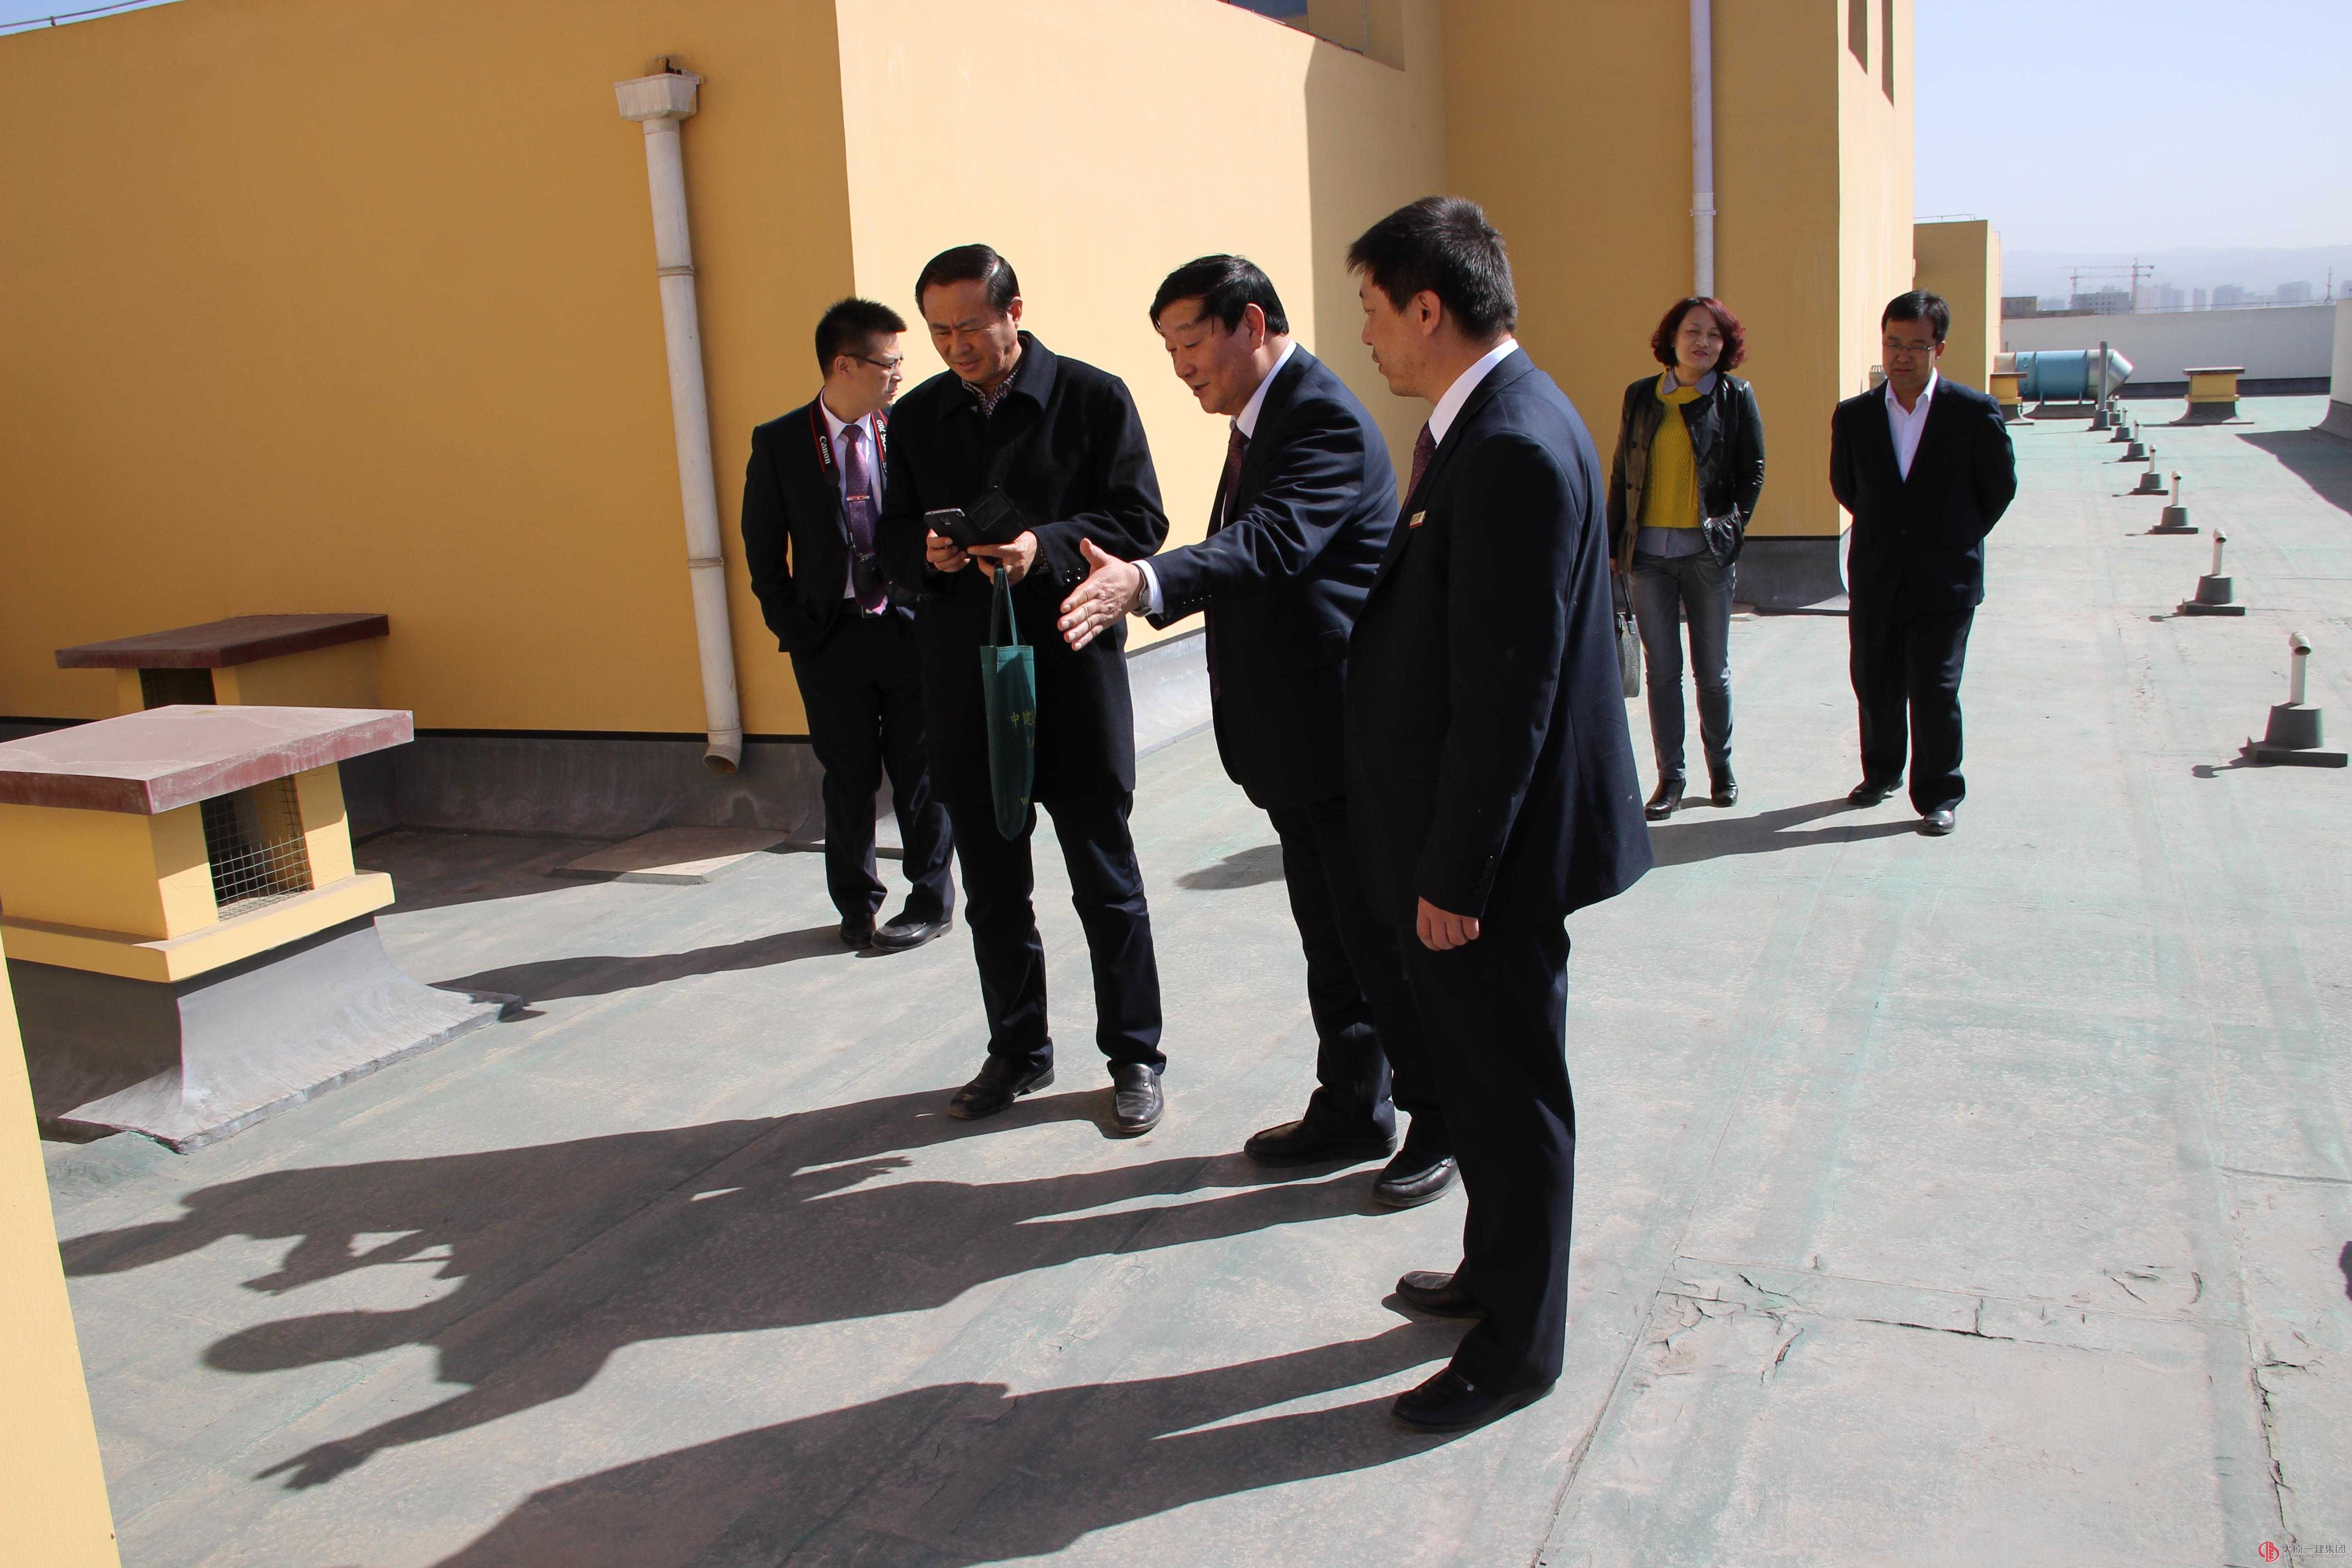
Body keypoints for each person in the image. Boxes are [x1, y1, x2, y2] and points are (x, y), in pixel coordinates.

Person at [1054, 255, 1455, 1210]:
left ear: (1252, 324)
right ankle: (1353, 1104)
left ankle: (1440, 1120)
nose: (1181, 366)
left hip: (1348, 739)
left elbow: (1271, 542)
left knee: (1378, 944)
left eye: (1192, 341)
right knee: (1334, 941)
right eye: (1168, 349)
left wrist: (1145, 580)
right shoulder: (1261, 422)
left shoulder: (1318, 417)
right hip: (1298, 746)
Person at [1341, 196, 1651, 1432]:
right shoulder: (1489, 421)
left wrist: (1456, 874)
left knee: (1512, 1097)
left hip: (1494, 856)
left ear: (1429, 308)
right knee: (1481, 1079)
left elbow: (1508, 689)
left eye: (1373, 309)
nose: (1366, 333)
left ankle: (1520, 1348)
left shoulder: (1512, 442)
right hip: (1476, 836)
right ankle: (1492, 1271)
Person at [874, 245, 1173, 1133]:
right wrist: (925, 556)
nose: (954, 346)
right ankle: (1017, 1050)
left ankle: (1134, 1055)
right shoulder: (917, 418)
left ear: (1013, 311)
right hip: (965, 680)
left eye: (969, 326)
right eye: (938, 332)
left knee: (1104, 879)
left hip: (1072, 670)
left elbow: (1140, 520)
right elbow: (888, 537)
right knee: (994, 888)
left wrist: (1043, 548)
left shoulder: (1092, 398)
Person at [739, 297, 955, 951]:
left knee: (921, 774)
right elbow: (762, 549)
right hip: (830, 638)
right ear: (843, 365)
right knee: (849, 778)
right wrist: (795, 625)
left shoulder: (908, 432)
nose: (899, 375)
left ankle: (931, 900)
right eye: (888, 364)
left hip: (910, 629)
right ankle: (857, 905)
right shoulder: (781, 443)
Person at [1829, 289, 2017, 836]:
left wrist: (1954, 536)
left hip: (1946, 578)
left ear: (1940, 348)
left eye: (1916, 345)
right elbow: (1847, 487)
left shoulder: (1973, 412)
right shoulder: (1855, 416)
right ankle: (1881, 773)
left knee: (1935, 689)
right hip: (1878, 574)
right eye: (1893, 343)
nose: (1902, 356)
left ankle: (1939, 794)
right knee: (1875, 682)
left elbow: (1998, 489)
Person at [1606, 296, 1766, 820]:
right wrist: (1613, 542)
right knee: (1662, 672)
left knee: (1711, 671)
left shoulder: (1735, 396)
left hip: (1708, 554)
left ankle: (1721, 768)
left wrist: (1733, 528)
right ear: (1672, 338)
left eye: (1715, 335)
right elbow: (1622, 472)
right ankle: (1670, 779)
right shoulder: (1641, 395)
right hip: (1648, 556)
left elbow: (1753, 470)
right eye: (1693, 331)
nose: (1704, 342)